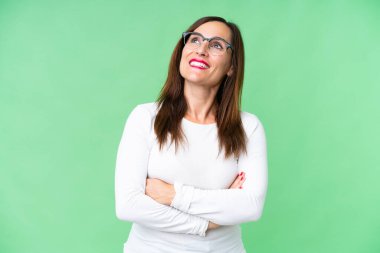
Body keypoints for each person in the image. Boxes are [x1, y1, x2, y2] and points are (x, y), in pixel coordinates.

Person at [115, 16, 268, 253]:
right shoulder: (145, 117)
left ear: (231, 67)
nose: (202, 49)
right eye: (195, 40)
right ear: (182, 51)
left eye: (216, 45)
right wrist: (207, 223)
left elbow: (250, 206)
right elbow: (128, 205)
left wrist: (174, 195)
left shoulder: (248, 127)